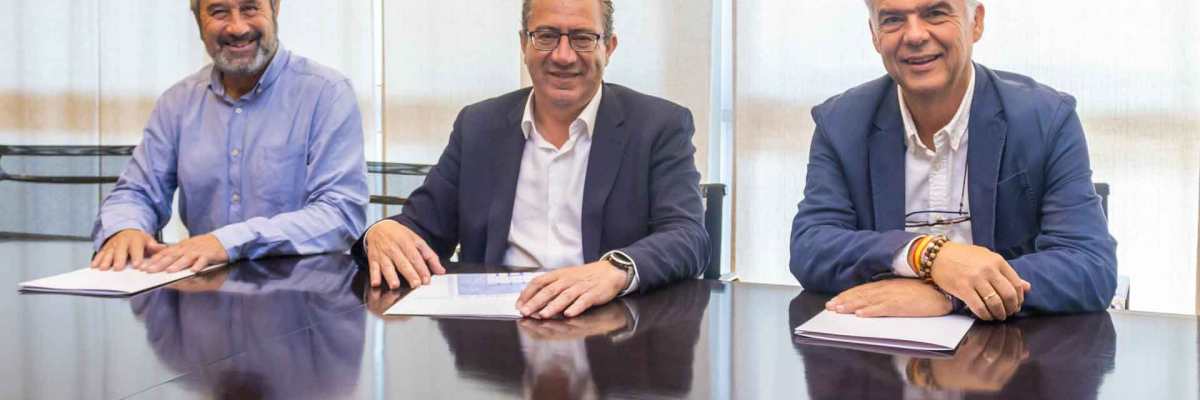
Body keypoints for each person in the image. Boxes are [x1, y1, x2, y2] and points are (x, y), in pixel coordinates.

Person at [355, 0, 708, 319]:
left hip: (610, 331)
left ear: (609, 47)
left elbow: (688, 236)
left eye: (583, 38)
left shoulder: (658, 126)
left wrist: (614, 270)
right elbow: (423, 229)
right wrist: (380, 232)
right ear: (524, 43)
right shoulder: (479, 126)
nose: (563, 56)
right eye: (546, 36)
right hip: (497, 336)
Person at [789, 0, 1116, 320]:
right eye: (892, 19)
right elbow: (811, 247)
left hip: (1009, 349)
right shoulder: (841, 123)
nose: (914, 35)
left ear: (976, 22)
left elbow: (1089, 265)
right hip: (881, 346)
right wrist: (927, 256)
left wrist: (951, 294)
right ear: (874, 34)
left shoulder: (1046, 119)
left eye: (935, 13)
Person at [90, 0, 368, 273]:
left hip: (303, 292)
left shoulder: (326, 93)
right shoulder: (177, 102)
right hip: (203, 291)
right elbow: (137, 192)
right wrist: (125, 228)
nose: (237, 28)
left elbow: (340, 214)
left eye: (250, 8)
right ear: (199, 22)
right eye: (219, 12)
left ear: (275, 8)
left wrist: (228, 242)